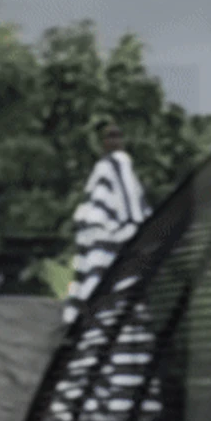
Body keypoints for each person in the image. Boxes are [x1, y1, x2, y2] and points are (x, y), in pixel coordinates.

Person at [61, 122, 150, 328]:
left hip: (107, 241)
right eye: (110, 136)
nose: (114, 140)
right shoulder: (110, 167)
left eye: (117, 135)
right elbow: (134, 214)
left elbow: (132, 213)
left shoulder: (117, 165)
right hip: (106, 241)